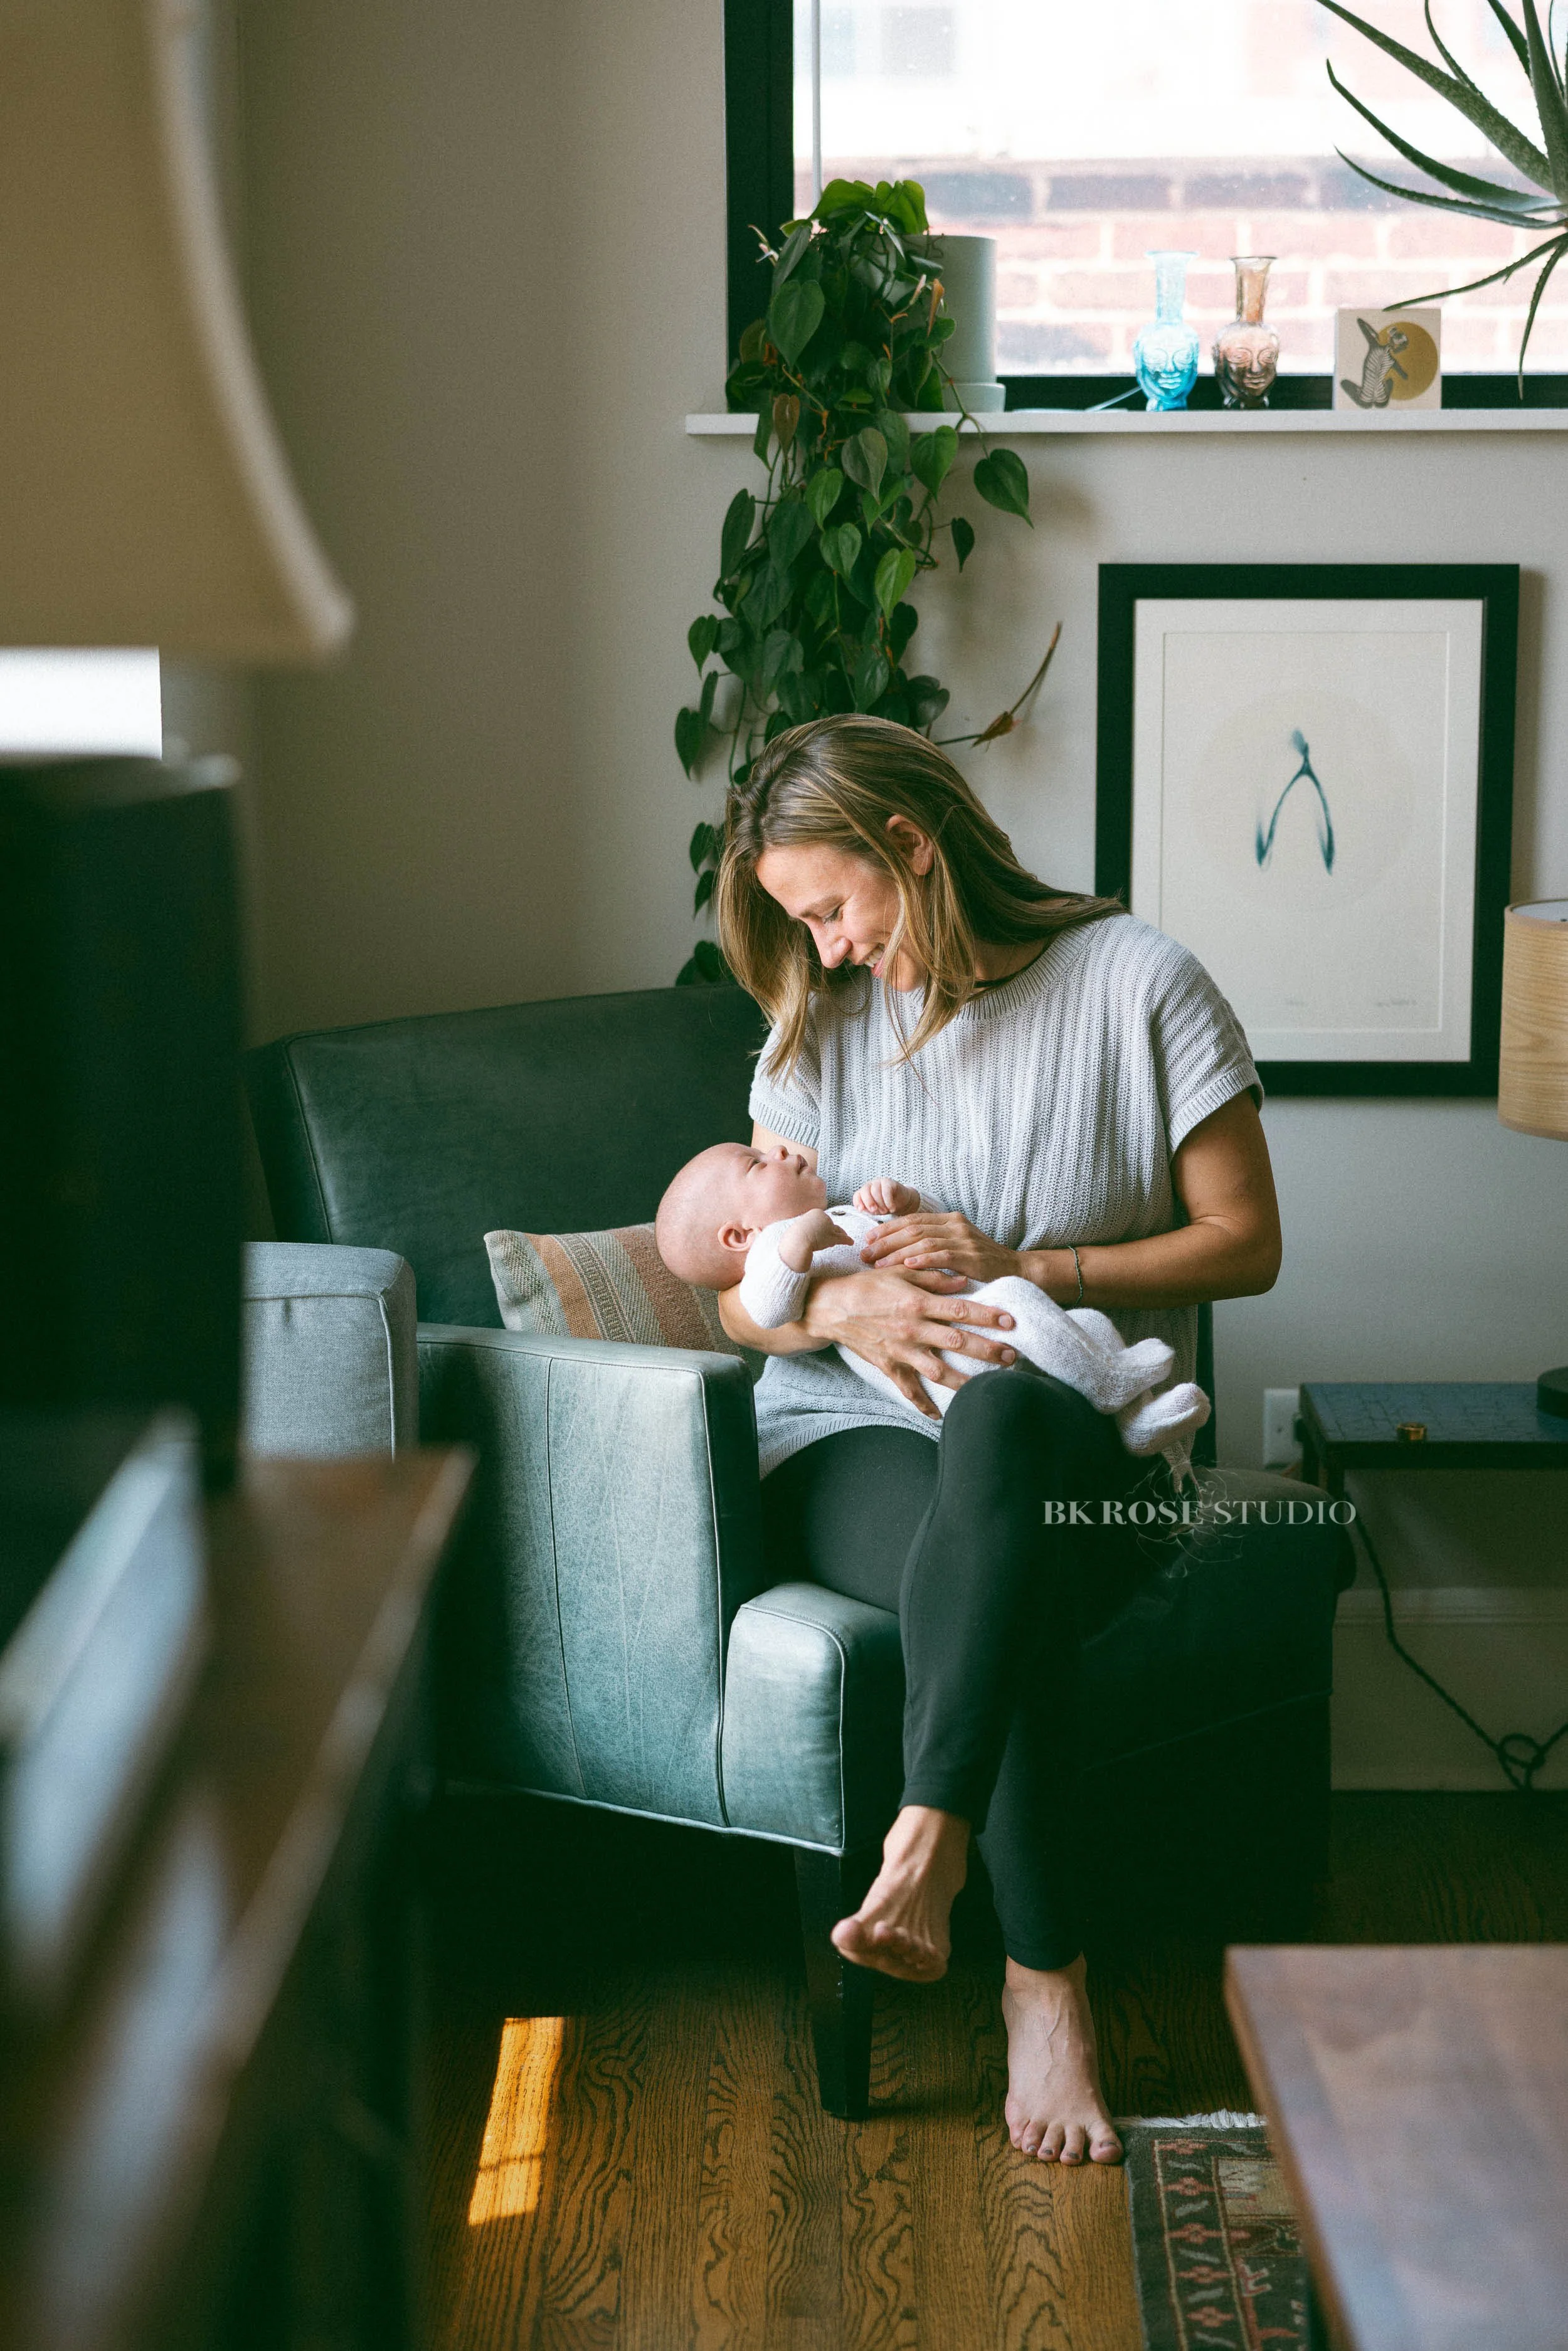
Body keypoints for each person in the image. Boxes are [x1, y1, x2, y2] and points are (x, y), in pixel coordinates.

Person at [711, 714, 1282, 2167]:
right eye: (798, 924)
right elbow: (747, 1307)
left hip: (1071, 1433)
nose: (826, 950)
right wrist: (846, 1309)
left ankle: (931, 1839)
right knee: (994, 1563)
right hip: (849, 1438)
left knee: (1005, 1433)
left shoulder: (1141, 982)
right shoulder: (819, 1027)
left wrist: (1024, 1260)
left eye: (831, 908)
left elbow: (1248, 1243)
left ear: (911, 842)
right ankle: (1042, 1981)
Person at [654, 1141, 1209, 1477]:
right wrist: (801, 1241)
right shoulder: (776, 1248)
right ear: (738, 1236)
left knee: (1084, 1326)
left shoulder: (845, 1214)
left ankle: (1136, 1419)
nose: (779, 1152)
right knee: (1019, 1304)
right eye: (756, 1165)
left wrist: (910, 1205)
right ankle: (1113, 1383)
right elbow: (766, 1307)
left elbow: (935, 1236)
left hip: (977, 1317)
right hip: (940, 1361)